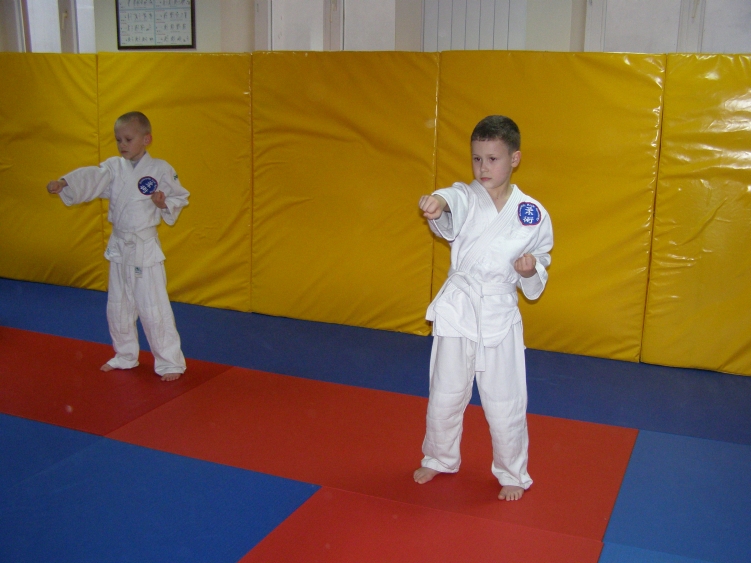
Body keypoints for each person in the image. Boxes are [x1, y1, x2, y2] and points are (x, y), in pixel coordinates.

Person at [415, 115, 553, 501]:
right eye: (477, 159)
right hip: (459, 309)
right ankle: (440, 457)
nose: (483, 168)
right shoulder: (466, 196)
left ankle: (512, 472)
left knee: (506, 401)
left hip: (499, 313)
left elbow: (541, 260)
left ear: (515, 159)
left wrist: (529, 270)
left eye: (493, 159)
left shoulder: (531, 213)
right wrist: (438, 203)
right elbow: (453, 199)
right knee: (444, 393)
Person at [47, 111, 189, 381]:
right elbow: (92, 177)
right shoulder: (114, 167)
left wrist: (164, 204)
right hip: (120, 246)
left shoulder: (161, 169)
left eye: (128, 139)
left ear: (146, 139)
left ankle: (170, 362)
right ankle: (125, 355)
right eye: (118, 139)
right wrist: (65, 183)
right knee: (118, 305)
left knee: (153, 306)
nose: (122, 144)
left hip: (144, 247)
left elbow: (179, 197)